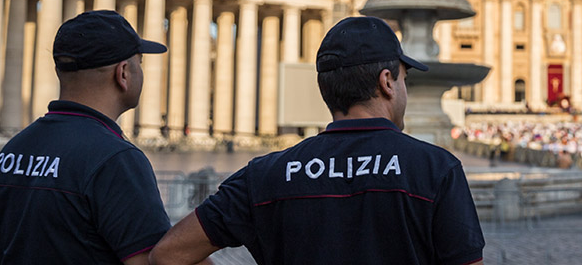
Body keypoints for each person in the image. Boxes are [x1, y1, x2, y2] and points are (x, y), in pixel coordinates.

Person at [151, 17, 484, 265]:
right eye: (405, 80)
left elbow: (168, 254)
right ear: (387, 82)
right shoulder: (435, 168)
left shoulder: (265, 175)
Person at [0, 10, 170, 264]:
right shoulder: (115, 160)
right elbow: (148, 261)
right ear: (123, 73)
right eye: (140, 63)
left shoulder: (12, 150)